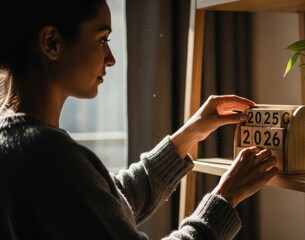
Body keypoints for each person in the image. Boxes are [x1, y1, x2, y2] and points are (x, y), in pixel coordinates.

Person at [0, 1, 279, 239]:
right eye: (101, 39)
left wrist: (189, 134)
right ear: (51, 42)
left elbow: (106, 205)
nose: (110, 59)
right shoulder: (44, 153)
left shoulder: (16, 139)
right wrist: (225, 198)